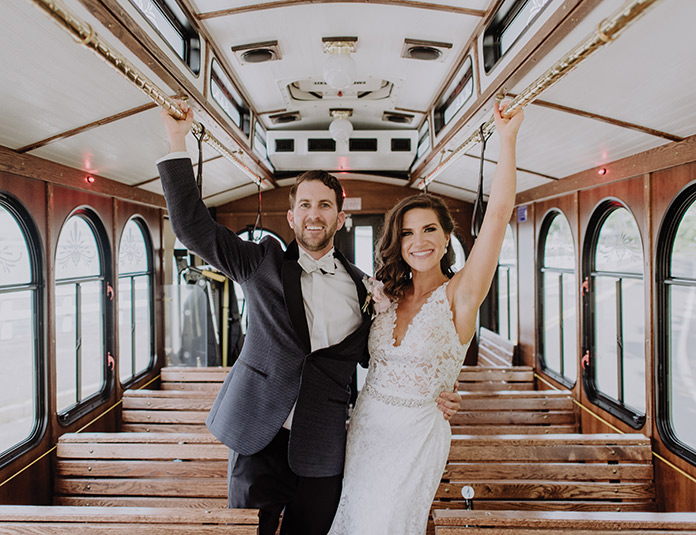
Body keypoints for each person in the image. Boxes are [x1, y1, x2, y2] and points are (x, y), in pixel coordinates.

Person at [156, 100, 461, 535]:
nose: (314, 214)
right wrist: (176, 139)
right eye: (305, 205)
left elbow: (395, 356)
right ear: (291, 215)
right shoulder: (258, 262)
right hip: (257, 433)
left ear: (341, 217)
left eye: (324, 206)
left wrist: (443, 389)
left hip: (324, 446)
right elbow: (191, 227)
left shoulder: (366, 289)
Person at [328, 100, 524, 534]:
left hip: (418, 433)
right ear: (397, 243)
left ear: (448, 236)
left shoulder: (462, 294)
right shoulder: (386, 294)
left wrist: (506, 140)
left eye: (429, 229)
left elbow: (496, 218)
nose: (419, 242)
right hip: (365, 427)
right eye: (408, 233)